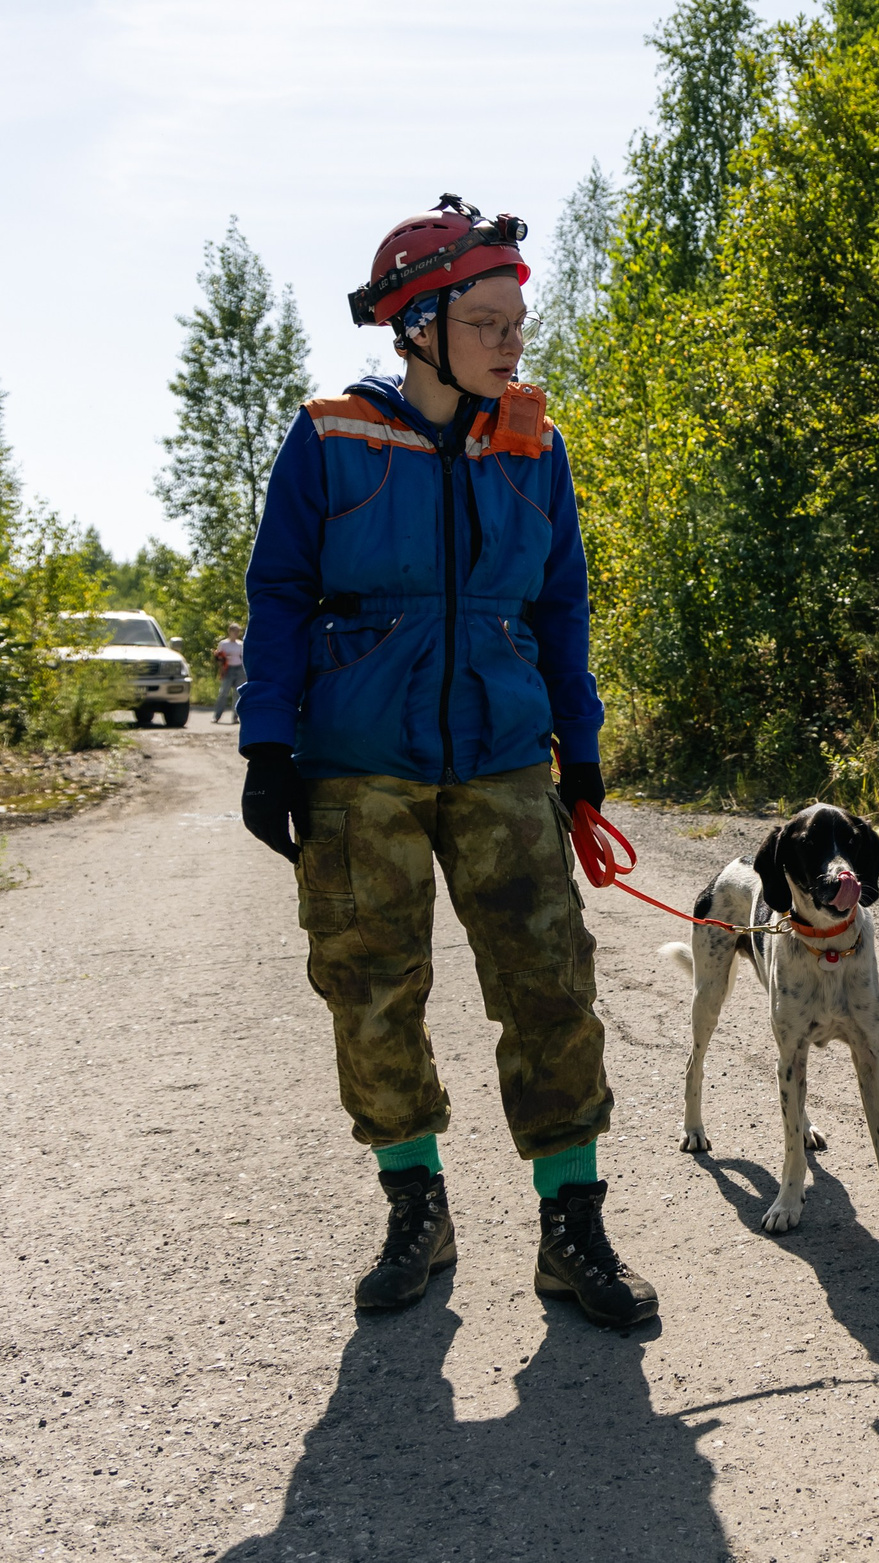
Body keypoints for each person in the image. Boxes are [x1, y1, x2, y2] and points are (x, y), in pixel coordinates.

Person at [235, 195, 655, 1327]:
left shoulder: (534, 444)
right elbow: (277, 594)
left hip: (504, 752)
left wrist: (581, 752)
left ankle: (573, 1227)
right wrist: (266, 742)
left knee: (550, 983)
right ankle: (414, 1201)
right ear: (417, 323)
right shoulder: (331, 435)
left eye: (518, 320)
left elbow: (561, 605)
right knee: (371, 989)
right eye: (486, 322)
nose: (512, 344)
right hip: (355, 760)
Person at [211, 624, 246, 723]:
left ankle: (235, 717)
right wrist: (222, 666)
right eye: (234, 631)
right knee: (223, 693)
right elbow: (219, 657)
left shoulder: (240, 644)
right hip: (228, 669)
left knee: (237, 694)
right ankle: (217, 716)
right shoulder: (224, 643)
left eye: (237, 631)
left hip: (239, 669)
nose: (236, 633)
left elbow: (243, 657)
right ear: (229, 632)